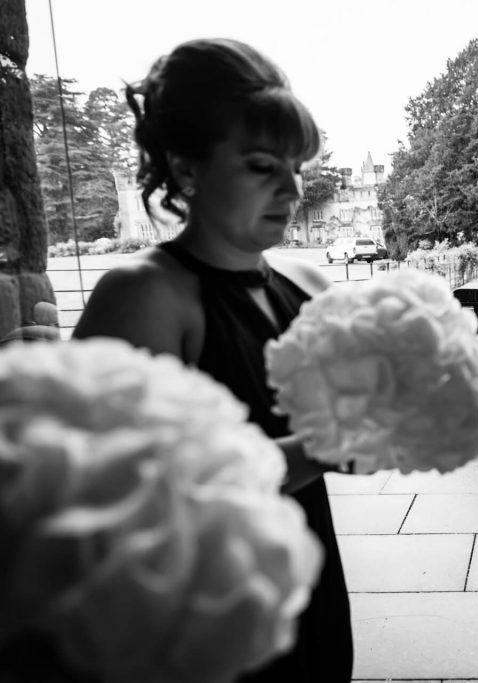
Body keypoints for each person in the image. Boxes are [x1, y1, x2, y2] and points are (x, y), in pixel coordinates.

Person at [72, 39, 353, 682]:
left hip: (308, 586)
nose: (292, 188)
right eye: (261, 166)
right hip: (197, 623)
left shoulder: (310, 285)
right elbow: (121, 498)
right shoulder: (143, 296)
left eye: (296, 166)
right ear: (186, 166)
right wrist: (323, 446)